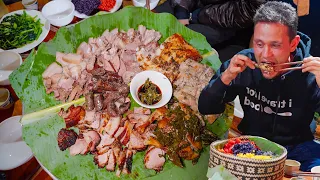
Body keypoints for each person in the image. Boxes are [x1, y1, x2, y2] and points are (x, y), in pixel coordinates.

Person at [198, 1, 320, 171]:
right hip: (251, 147)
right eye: (259, 44)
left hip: (299, 148)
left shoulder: (311, 72)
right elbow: (205, 107)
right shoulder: (243, 64)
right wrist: (226, 77)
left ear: (293, 44)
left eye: (275, 45)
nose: (265, 55)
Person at [155, 0, 266, 47]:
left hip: (222, 21)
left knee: (176, 44)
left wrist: (194, 16)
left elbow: (244, 11)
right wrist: (182, 11)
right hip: (193, 5)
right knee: (153, 24)